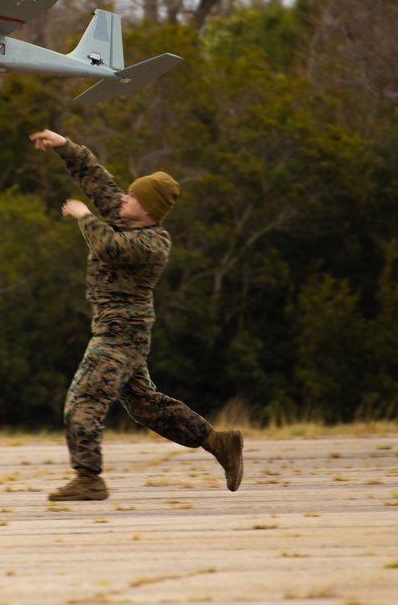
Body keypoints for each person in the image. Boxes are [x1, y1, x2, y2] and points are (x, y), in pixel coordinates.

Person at [29, 128, 243, 501]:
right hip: (118, 332)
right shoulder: (124, 214)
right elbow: (95, 175)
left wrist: (83, 215)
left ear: (147, 207)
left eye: (132, 195)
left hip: (121, 336)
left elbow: (110, 247)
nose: (123, 196)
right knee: (145, 405)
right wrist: (63, 144)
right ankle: (218, 442)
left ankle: (89, 478)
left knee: (83, 399)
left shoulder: (152, 244)